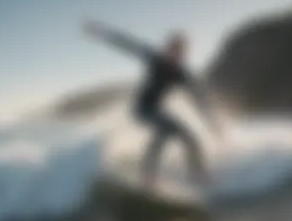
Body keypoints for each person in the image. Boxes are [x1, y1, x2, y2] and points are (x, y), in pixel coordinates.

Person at [84, 20, 217, 188]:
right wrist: (102, 32)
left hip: (157, 110)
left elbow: (199, 100)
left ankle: (199, 174)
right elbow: (128, 44)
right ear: (167, 49)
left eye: (179, 53)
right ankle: (148, 176)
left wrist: (214, 124)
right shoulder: (156, 59)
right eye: (172, 50)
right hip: (141, 108)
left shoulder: (181, 74)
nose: (174, 56)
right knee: (166, 130)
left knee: (189, 136)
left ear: (183, 55)